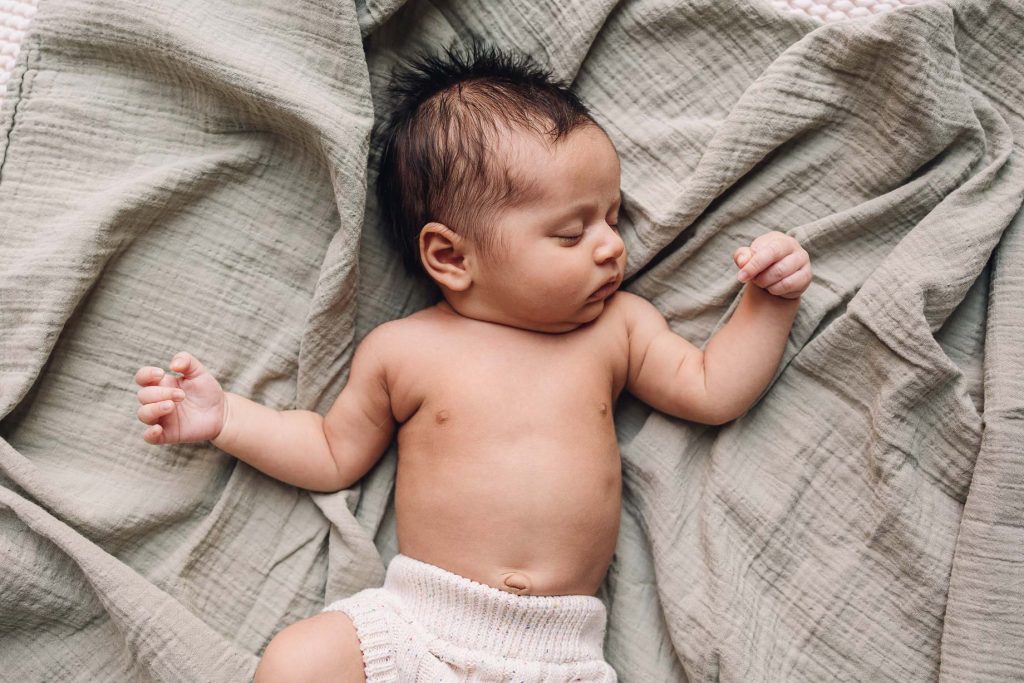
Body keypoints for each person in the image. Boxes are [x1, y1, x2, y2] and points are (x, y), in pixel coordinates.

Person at [133, 45, 812, 682]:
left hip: (561, 652)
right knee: (300, 658)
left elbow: (713, 386)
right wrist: (226, 418)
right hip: (419, 623)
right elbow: (330, 451)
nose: (609, 248)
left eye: (614, 217)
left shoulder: (619, 329)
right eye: (572, 232)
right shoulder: (404, 350)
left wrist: (769, 301)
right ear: (452, 257)